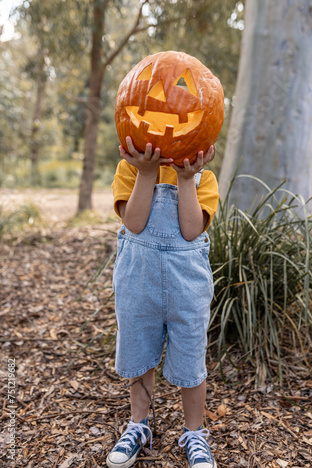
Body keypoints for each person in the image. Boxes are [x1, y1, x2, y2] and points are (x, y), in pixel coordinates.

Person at [106, 136, 219, 468]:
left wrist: (186, 179)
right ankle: (138, 425)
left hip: (187, 287)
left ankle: (194, 432)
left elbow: (191, 230)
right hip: (139, 282)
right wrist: (146, 172)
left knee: (190, 358)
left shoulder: (204, 180)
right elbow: (134, 223)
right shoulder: (129, 171)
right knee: (140, 353)